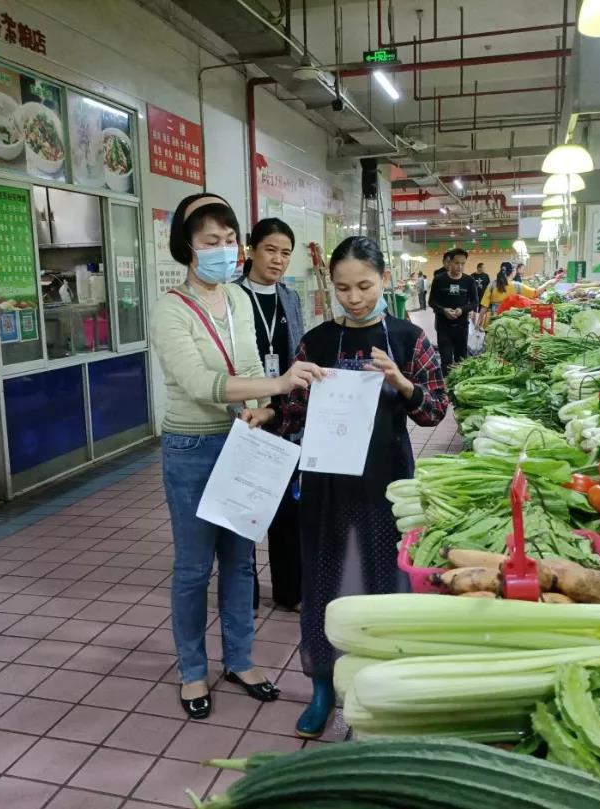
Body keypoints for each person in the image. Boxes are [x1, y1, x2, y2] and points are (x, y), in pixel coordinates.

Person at [152, 193, 325, 720]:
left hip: (240, 441)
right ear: (187, 247)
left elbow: (247, 361)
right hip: (190, 447)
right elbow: (201, 384)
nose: (225, 251)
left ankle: (241, 660)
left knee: (239, 562)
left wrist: (265, 410)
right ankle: (191, 669)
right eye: (211, 242)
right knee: (192, 567)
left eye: (230, 241)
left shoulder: (241, 301)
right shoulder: (169, 309)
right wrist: (277, 384)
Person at [270, 235, 449, 738]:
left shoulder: (409, 338)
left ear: (384, 279)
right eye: (344, 287)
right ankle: (322, 684)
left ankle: (375, 682)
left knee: (381, 579)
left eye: (364, 285)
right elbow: (292, 411)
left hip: (385, 478)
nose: (354, 297)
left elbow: (435, 408)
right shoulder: (318, 341)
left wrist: (401, 381)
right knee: (322, 580)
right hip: (325, 479)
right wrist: (272, 404)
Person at [236, 218, 305, 612]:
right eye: (271, 250)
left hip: (284, 414)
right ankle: (244, 591)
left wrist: (287, 407)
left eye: (285, 253)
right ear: (251, 249)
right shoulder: (230, 296)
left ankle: (290, 590)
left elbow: (299, 352)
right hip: (243, 413)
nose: (278, 260)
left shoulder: (289, 297)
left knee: (287, 506)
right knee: (244, 506)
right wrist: (246, 408)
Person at [428, 247, 476, 371]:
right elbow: (431, 301)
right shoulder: (439, 280)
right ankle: (447, 387)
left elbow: (475, 303)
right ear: (449, 262)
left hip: (461, 327)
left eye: (462, 264)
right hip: (444, 327)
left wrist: (462, 309)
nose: (459, 267)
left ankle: (460, 386)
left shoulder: (469, 281)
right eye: (456, 263)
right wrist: (444, 310)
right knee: (446, 360)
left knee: (461, 360)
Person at [480, 261, 558, 315]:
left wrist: (478, 324)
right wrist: (549, 282)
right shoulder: (516, 286)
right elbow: (535, 293)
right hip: (509, 319)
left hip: (493, 320)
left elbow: (484, 306)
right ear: (513, 272)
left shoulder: (491, 285)